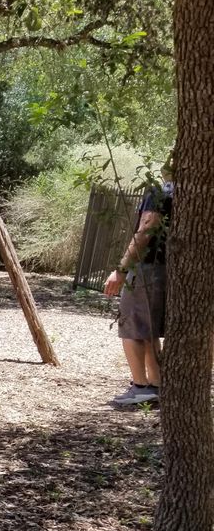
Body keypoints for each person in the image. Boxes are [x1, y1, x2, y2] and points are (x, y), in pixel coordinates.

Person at [103, 160, 173, 408]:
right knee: (149, 329)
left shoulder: (158, 192)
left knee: (131, 326)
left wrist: (121, 270)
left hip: (146, 269)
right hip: (168, 269)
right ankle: (155, 384)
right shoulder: (193, 193)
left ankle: (140, 386)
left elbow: (146, 230)